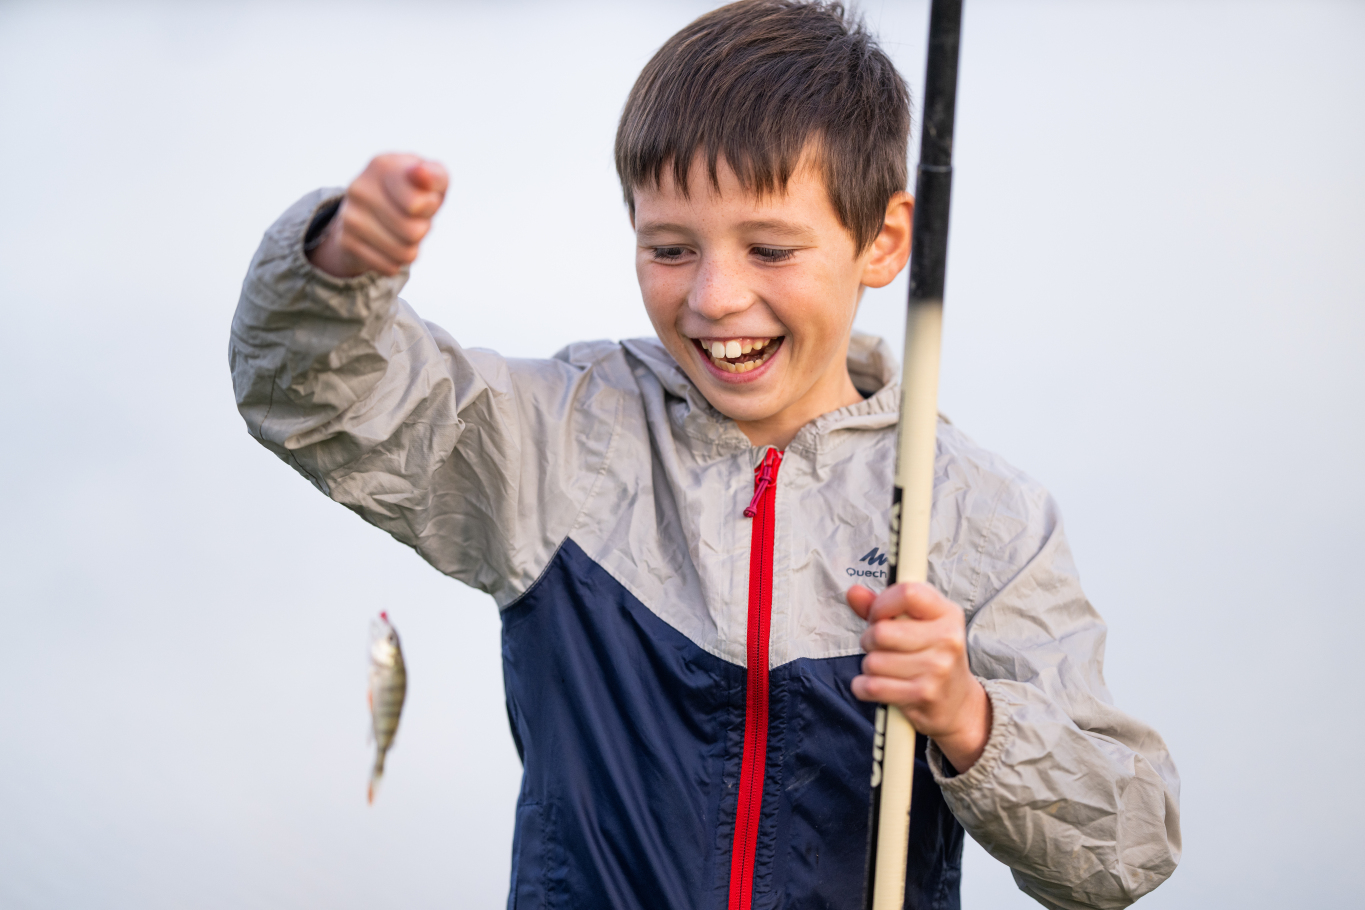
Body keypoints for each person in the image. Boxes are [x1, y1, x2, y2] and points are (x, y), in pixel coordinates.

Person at [229, 2, 1180, 908]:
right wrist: (340, 267)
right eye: (671, 248)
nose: (715, 297)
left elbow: (1123, 854)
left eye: (770, 249)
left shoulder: (981, 515)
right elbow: (318, 398)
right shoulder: (562, 443)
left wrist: (968, 717)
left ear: (883, 240)